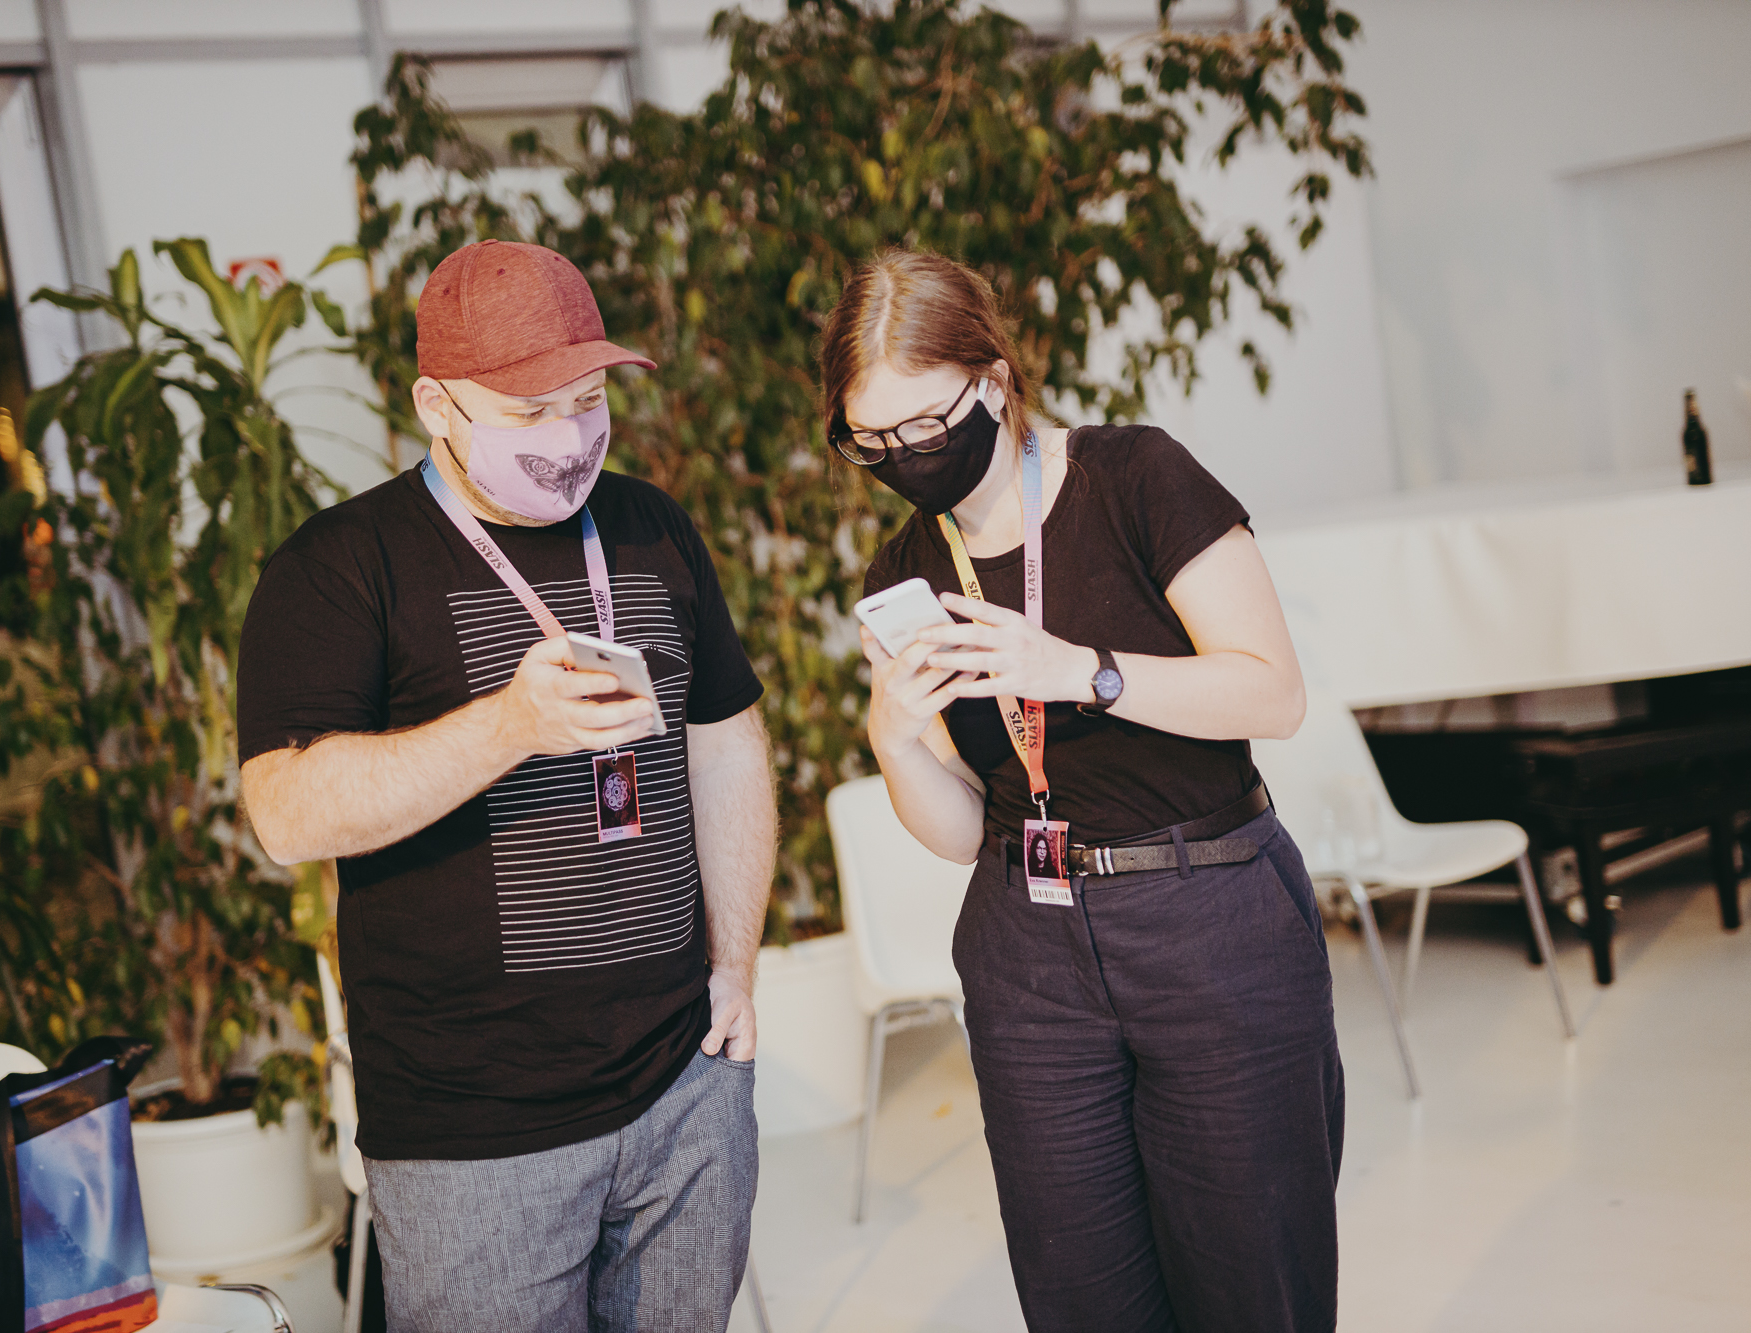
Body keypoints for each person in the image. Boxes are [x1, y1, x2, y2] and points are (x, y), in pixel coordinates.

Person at [236, 239, 775, 1333]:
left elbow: (724, 742)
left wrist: (734, 964)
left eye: (587, 402)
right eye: (528, 412)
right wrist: (508, 726)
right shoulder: (340, 565)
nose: (569, 438)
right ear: (436, 406)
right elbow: (285, 813)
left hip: (685, 1090)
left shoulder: (652, 525)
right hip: (472, 1136)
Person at [828, 249, 1341, 1332]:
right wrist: (893, 739)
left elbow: (1274, 692)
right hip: (1027, 947)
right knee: (1080, 1294)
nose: (903, 456)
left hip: (1207, 909)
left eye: (924, 423)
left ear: (994, 381)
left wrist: (1080, 671)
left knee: (1252, 1281)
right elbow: (962, 829)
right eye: (870, 441)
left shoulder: (1135, 475)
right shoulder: (906, 572)